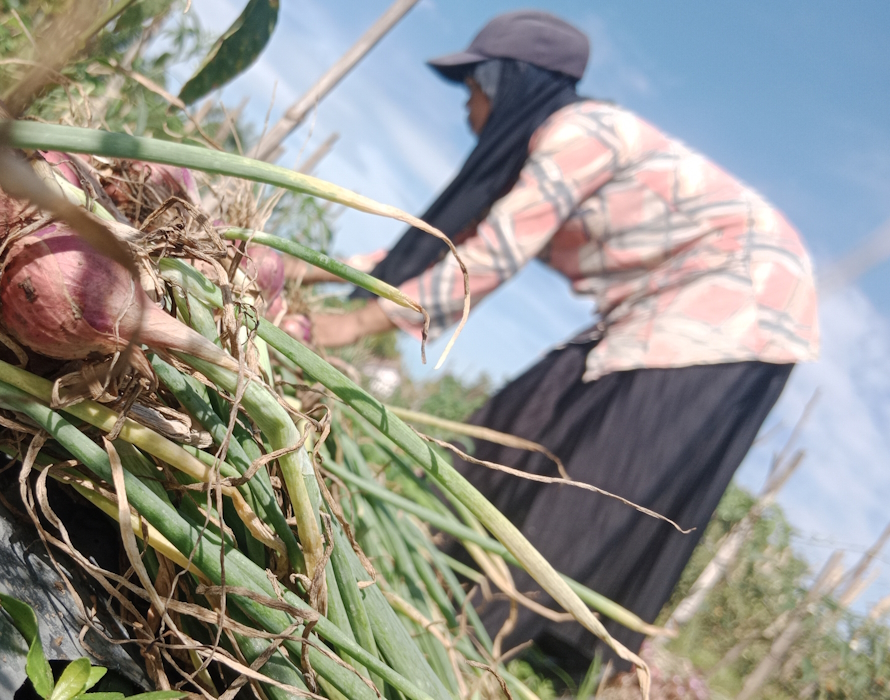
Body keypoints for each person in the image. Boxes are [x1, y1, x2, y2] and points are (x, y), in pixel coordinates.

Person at [291, 9, 819, 676]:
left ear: (506, 81)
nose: (468, 109)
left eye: (473, 88)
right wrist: (289, 265)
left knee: (600, 472)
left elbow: (486, 264)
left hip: (746, 296)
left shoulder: (579, 134)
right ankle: (449, 573)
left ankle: (480, 642)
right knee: (525, 413)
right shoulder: (531, 162)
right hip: (669, 299)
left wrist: (353, 326)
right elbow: (428, 254)